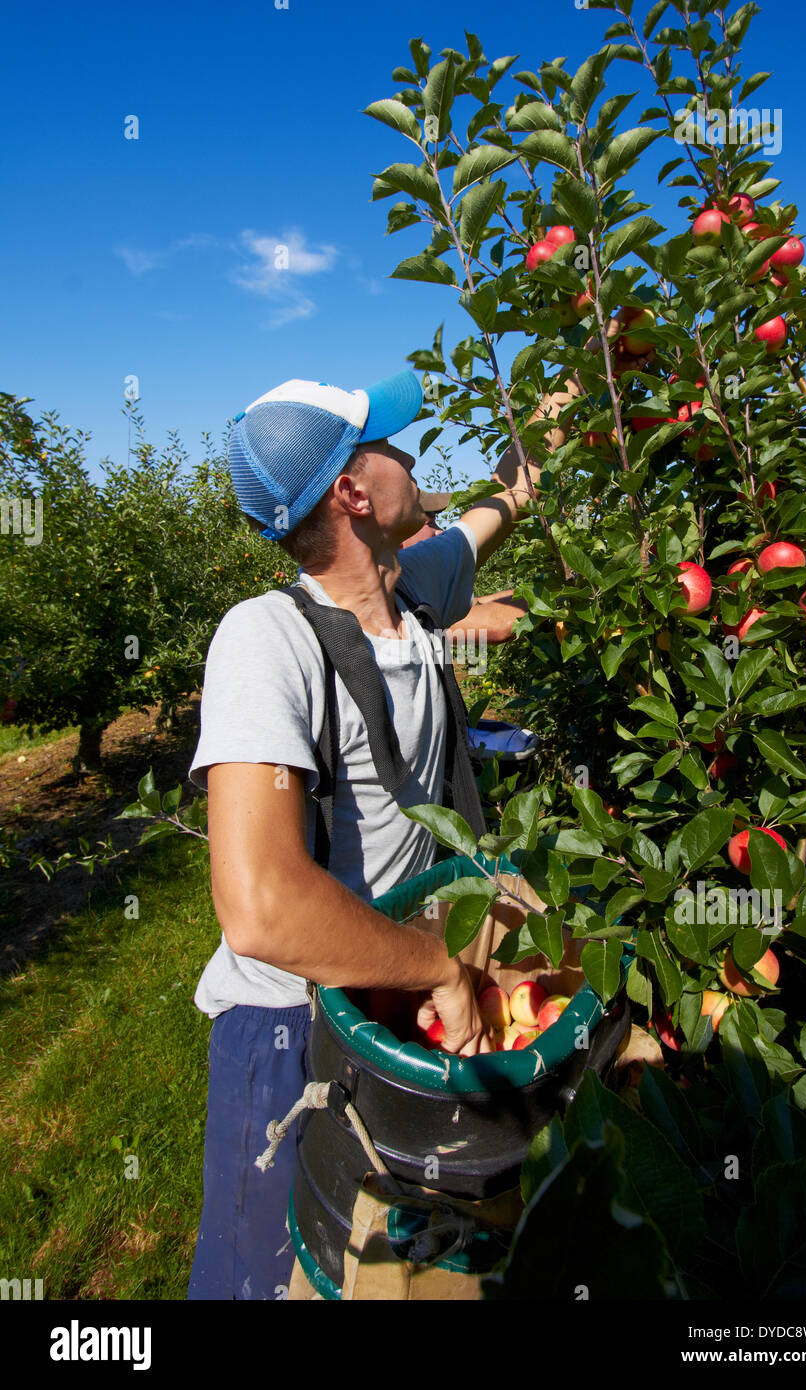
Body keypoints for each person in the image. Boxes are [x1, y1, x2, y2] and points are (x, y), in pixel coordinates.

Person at [185, 369, 579, 1300]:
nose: (413, 455)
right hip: (288, 1030)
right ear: (354, 495)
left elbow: (504, 497)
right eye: (392, 446)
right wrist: (441, 969)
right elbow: (261, 907)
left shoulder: (418, 591)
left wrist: (575, 389)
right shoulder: (264, 639)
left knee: (388, 1270)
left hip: (394, 1000)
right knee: (272, 1275)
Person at [400, 492, 529, 644]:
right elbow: (498, 623)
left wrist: (545, 590)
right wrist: (555, 600)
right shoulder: (398, 601)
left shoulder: (413, 588)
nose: (440, 531)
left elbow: (477, 603)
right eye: (430, 523)